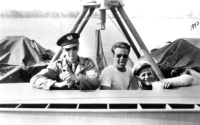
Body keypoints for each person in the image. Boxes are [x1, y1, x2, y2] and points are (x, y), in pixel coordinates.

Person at [30, 33, 100, 90]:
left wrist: (77, 78)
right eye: (68, 49)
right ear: (63, 50)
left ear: (78, 48)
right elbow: (35, 79)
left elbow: (96, 81)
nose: (71, 52)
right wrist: (56, 84)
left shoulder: (88, 63)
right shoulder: (57, 66)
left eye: (74, 48)